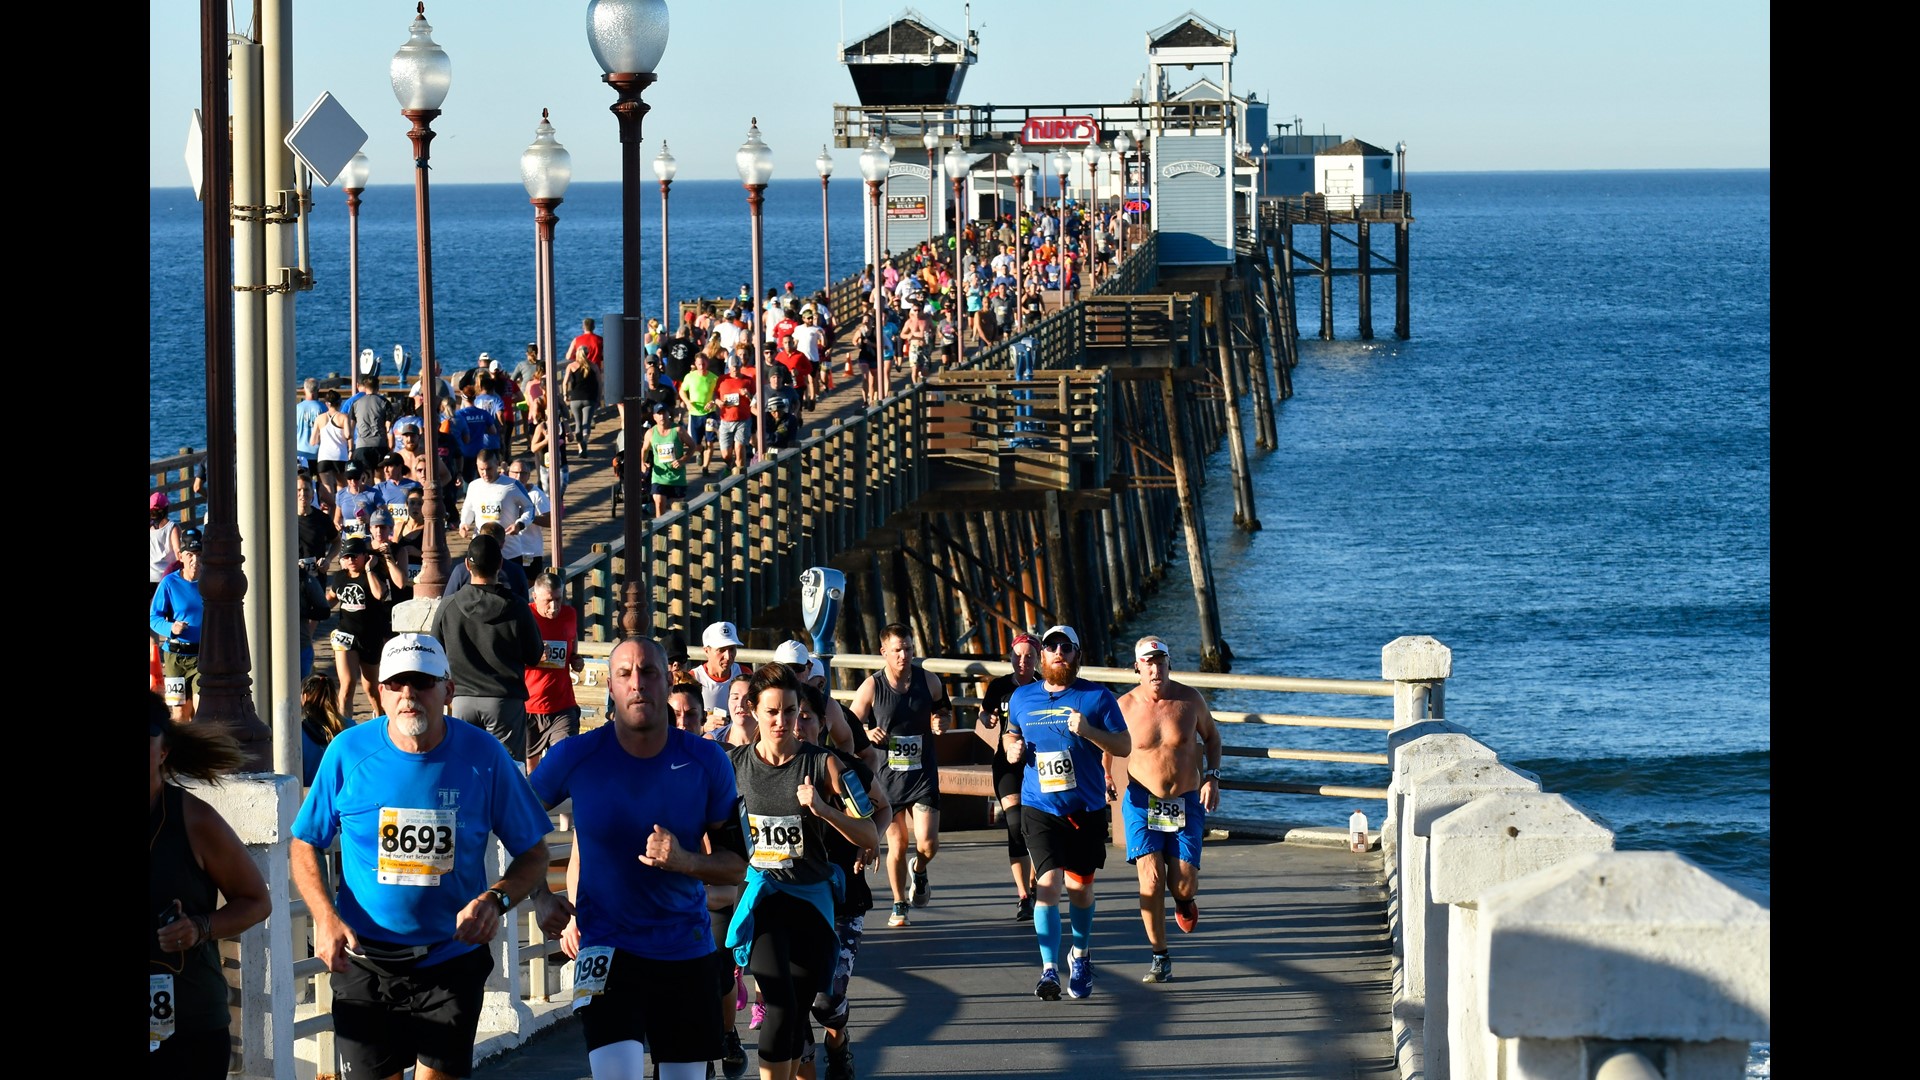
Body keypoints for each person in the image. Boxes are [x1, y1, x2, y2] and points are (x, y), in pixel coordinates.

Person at [291, 633, 554, 1080]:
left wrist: (496, 900)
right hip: (364, 964)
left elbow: (533, 852)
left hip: (448, 962)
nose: (408, 695)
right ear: (379, 692)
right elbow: (304, 842)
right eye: (396, 684)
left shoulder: (484, 756)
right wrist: (324, 915)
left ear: (448, 690)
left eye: (422, 682)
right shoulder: (347, 752)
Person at [525, 636, 745, 1080]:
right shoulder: (576, 755)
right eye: (625, 674)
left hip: (685, 949)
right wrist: (540, 897)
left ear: (668, 682)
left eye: (648, 673)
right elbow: (514, 819)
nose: (637, 684)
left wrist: (687, 861)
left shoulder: (707, 761)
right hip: (604, 949)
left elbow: (736, 862)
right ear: (610, 685)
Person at [724, 664, 878, 1080]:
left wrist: (825, 810)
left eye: (789, 711)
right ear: (753, 711)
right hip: (764, 899)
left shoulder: (824, 765)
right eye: (772, 712)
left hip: (811, 903)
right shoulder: (732, 765)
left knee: (796, 1013)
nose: (781, 721)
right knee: (780, 1004)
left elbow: (869, 830)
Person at [1001, 624, 1131, 1001]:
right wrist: (1011, 748)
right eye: (1052, 647)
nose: (1059, 653)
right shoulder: (1023, 697)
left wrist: (1089, 731)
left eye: (1067, 648)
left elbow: (1123, 746)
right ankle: (1048, 970)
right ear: (1042, 656)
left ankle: (1081, 953)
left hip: (1085, 810)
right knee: (1048, 886)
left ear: (1077, 656)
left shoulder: (1097, 696)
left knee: (1080, 890)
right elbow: (1011, 733)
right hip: (1039, 807)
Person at [149, 692, 272, 1077]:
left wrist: (200, 927)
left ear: (164, 751)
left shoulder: (194, 819)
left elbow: (256, 901)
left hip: (186, 1023)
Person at [1117, 636, 1222, 983]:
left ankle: (1183, 901)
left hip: (1185, 800)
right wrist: (1104, 776)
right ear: (1137, 667)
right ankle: (1160, 956)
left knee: (1184, 884)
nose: (1155, 668)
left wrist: (1212, 778)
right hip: (1140, 801)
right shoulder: (1124, 706)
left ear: (1168, 663)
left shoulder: (1190, 700)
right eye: (1148, 662)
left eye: (1161, 661)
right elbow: (1107, 744)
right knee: (1150, 879)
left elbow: (1213, 737)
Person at [847, 623, 952, 929]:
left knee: (928, 843)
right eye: (897, 650)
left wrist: (940, 721)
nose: (904, 655)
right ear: (884, 653)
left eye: (908, 648)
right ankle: (899, 903)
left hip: (922, 775)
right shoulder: (872, 687)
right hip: (886, 777)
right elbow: (849, 727)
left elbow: (943, 708)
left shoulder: (928, 681)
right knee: (897, 841)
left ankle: (918, 870)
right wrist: (868, 731)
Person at [430, 533, 544, 764]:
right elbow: (534, 656)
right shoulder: (518, 607)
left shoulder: (448, 606)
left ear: (467, 565)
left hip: (462, 699)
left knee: (465, 769)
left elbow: (435, 653)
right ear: (501, 564)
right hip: (505, 701)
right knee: (508, 771)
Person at [975, 632, 1041, 921]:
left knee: (1036, 828)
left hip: (1038, 764)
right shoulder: (1000, 686)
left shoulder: (1044, 686)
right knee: (1015, 826)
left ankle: (1038, 882)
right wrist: (984, 719)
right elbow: (985, 713)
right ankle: (1023, 896)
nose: (1022, 661)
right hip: (1006, 763)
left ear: (1038, 658)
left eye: (1028, 656)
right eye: (1017, 656)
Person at [327, 536, 407, 718]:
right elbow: (330, 599)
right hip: (346, 636)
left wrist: (370, 570)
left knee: (372, 690)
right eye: (347, 557)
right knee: (346, 686)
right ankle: (343, 731)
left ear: (365, 556)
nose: (351, 560)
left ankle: (379, 720)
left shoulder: (374, 575)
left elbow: (379, 594)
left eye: (355, 556)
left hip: (371, 637)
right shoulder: (340, 577)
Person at [524, 571, 584, 773]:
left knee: (563, 761)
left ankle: (560, 803)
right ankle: (535, 804)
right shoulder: (525, 616)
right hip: (529, 706)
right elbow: (507, 657)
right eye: (548, 601)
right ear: (535, 597)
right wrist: (533, 656)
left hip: (562, 704)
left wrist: (576, 659)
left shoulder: (570, 615)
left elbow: (572, 646)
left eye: (559, 599)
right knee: (531, 770)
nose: (554, 607)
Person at [151, 527, 206, 723]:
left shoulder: (210, 581)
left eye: (199, 554)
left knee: (201, 713)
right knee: (180, 715)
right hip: (175, 658)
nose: (195, 560)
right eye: (190, 555)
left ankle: (201, 753)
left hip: (202, 658)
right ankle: (181, 752)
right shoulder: (169, 583)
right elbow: (153, 617)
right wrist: (171, 628)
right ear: (180, 556)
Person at [299, 669, 354, 789]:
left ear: (305, 697)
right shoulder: (350, 728)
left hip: (309, 795)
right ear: (334, 697)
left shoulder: (298, 733)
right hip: (342, 793)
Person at [641, 400, 690, 516]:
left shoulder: (678, 430)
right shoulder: (650, 433)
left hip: (677, 476)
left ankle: (675, 533)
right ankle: (660, 533)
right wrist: (642, 463)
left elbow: (692, 446)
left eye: (664, 413)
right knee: (659, 504)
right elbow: (644, 449)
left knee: (676, 511)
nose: (662, 416)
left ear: (669, 414)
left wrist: (683, 460)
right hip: (659, 476)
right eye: (659, 413)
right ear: (654, 417)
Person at [693, 620, 749, 712]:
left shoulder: (745, 673)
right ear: (707, 651)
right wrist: (704, 726)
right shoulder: (693, 679)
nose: (728, 656)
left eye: (732, 649)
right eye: (721, 650)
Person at [680, 351, 721, 475]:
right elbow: (682, 391)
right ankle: (701, 450)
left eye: (703, 364)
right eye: (699, 364)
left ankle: (705, 468)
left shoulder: (713, 378)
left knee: (710, 441)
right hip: (695, 414)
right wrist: (687, 402)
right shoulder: (690, 377)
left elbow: (718, 394)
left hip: (710, 413)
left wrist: (713, 402)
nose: (701, 366)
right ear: (695, 364)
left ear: (707, 363)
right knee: (694, 443)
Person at [713, 356, 756, 474]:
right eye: (732, 367)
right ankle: (731, 466)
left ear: (740, 366)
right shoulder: (722, 379)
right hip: (726, 420)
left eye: (737, 367)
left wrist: (748, 395)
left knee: (739, 449)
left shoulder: (748, 380)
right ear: (728, 367)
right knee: (726, 455)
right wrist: (718, 402)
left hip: (743, 420)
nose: (735, 369)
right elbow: (715, 396)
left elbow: (756, 400)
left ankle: (740, 478)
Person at [313, 389, 355, 500]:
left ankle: (329, 515)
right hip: (340, 456)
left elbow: (313, 441)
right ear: (339, 402)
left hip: (324, 457)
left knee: (328, 490)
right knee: (342, 488)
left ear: (326, 403)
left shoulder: (319, 418)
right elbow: (348, 435)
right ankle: (340, 514)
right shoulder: (344, 417)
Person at [351, 373, 396, 474]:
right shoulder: (384, 402)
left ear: (365, 387)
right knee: (379, 477)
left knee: (366, 478)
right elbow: (388, 427)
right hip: (380, 444)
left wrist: (350, 449)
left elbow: (351, 429)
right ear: (378, 387)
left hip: (362, 445)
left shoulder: (356, 403)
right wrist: (391, 446)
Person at [563, 347, 603, 458]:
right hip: (589, 399)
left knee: (578, 424)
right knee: (587, 423)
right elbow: (599, 384)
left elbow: (565, 382)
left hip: (575, 398)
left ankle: (580, 448)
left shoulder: (571, 366)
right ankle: (584, 442)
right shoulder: (593, 366)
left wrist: (565, 395)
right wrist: (599, 398)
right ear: (587, 354)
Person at [150, 492, 181, 604]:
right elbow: (178, 551)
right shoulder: (172, 527)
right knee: (168, 608)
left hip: (151, 576)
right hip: (167, 576)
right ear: (166, 508)